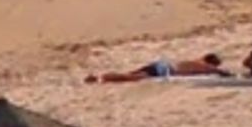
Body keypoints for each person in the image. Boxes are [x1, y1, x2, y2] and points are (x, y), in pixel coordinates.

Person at [87, 52, 228, 83]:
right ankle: (101, 79)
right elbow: (216, 71)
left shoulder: (193, 60)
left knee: (128, 74)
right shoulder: (203, 66)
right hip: (163, 70)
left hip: (160, 65)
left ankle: (99, 76)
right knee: (129, 78)